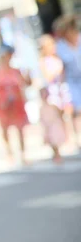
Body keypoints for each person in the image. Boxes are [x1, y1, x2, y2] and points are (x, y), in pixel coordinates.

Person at [0, 44, 31, 164]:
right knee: (5, 129)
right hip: (2, 104)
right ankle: (9, 152)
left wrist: (28, 75)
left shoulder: (16, 70)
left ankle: (23, 154)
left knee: (20, 129)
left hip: (17, 103)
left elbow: (27, 83)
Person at [54, 14, 81, 148]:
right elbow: (61, 67)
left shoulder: (80, 40)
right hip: (71, 81)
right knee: (76, 110)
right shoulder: (61, 46)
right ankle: (77, 137)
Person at [39, 87, 66, 163]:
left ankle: (57, 154)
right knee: (51, 141)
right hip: (48, 126)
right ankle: (56, 154)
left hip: (54, 125)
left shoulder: (53, 105)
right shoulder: (41, 107)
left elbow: (59, 114)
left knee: (55, 140)